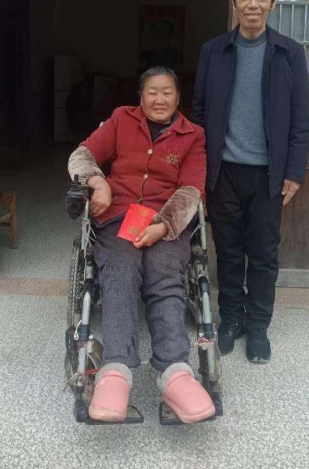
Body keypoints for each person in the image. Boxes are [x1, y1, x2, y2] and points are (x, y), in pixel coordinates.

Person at [68, 66, 215, 424]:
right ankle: (116, 371)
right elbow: (82, 155)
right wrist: (98, 182)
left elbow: (191, 190)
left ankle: (175, 372)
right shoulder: (122, 119)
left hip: (167, 222)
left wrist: (163, 226)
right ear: (141, 96)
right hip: (118, 218)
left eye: (167, 92)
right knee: (120, 272)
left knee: (164, 275)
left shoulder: (192, 135)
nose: (159, 99)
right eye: (152, 92)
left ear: (178, 97)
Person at [192, 0, 309, 364]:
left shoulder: (290, 53)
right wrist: (200, 169)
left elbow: (300, 120)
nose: (253, 4)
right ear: (234, 1)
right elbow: (199, 111)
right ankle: (232, 319)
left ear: (274, 1)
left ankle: (259, 325)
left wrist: (294, 172)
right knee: (228, 252)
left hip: (268, 175)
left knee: (263, 254)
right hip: (223, 171)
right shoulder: (214, 51)